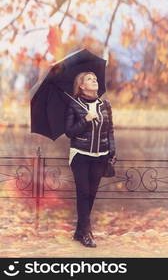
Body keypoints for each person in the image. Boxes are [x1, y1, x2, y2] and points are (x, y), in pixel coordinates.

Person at [64, 71, 116, 248]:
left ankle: (79, 231)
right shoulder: (74, 104)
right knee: (83, 193)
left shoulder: (105, 105)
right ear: (81, 86)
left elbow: (110, 131)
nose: (94, 81)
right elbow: (69, 132)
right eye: (89, 79)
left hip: (100, 155)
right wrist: (86, 119)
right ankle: (86, 233)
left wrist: (112, 151)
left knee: (91, 195)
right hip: (80, 154)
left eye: (95, 79)